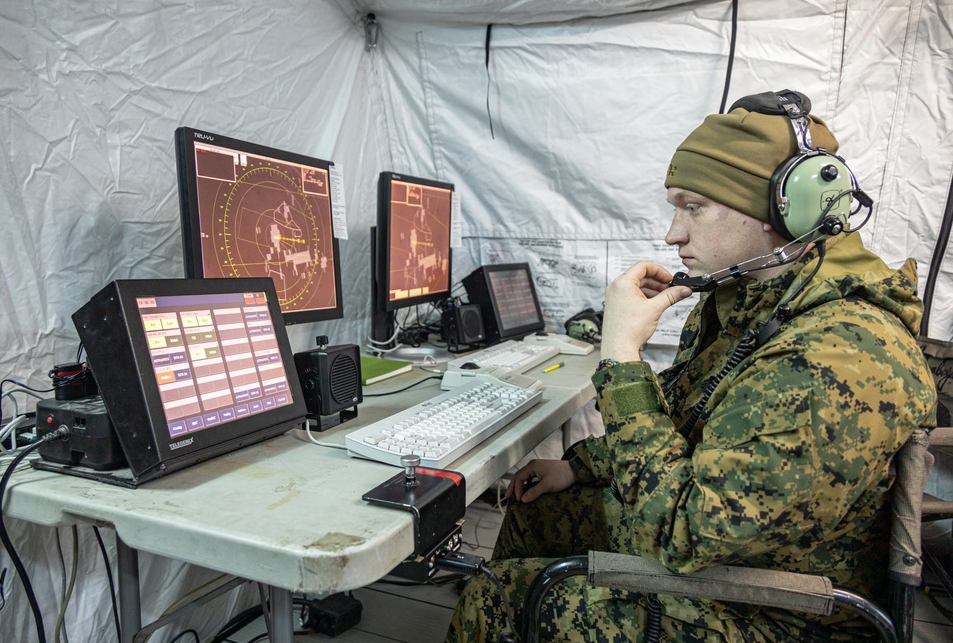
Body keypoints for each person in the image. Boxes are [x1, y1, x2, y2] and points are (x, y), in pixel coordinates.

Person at [445, 90, 937, 642]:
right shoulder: (749, 303)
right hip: (730, 555)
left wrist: (621, 356)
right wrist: (580, 467)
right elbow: (688, 420)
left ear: (785, 208)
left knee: (497, 600)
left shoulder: (840, 356)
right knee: (537, 508)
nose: (672, 233)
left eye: (694, 206)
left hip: (783, 612)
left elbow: (682, 534)